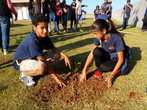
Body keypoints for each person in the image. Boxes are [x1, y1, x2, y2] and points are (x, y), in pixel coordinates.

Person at [13, 15, 71, 87]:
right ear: (34, 28)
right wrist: (57, 78)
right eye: (42, 28)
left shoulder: (45, 36)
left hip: (33, 57)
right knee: (42, 68)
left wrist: (64, 55)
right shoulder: (32, 40)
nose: (45, 30)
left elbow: (53, 49)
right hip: (21, 62)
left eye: (46, 27)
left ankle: (36, 68)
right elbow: (43, 61)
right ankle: (24, 74)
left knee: (57, 55)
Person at [79, 19, 130, 88]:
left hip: (117, 58)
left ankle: (111, 69)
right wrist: (84, 70)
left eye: (96, 33)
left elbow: (121, 59)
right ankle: (102, 68)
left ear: (104, 31)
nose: (95, 36)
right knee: (96, 51)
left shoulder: (116, 38)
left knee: (124, 70)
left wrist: (111, 76)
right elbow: (91, 53)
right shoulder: (99, 37)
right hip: (109, 55)